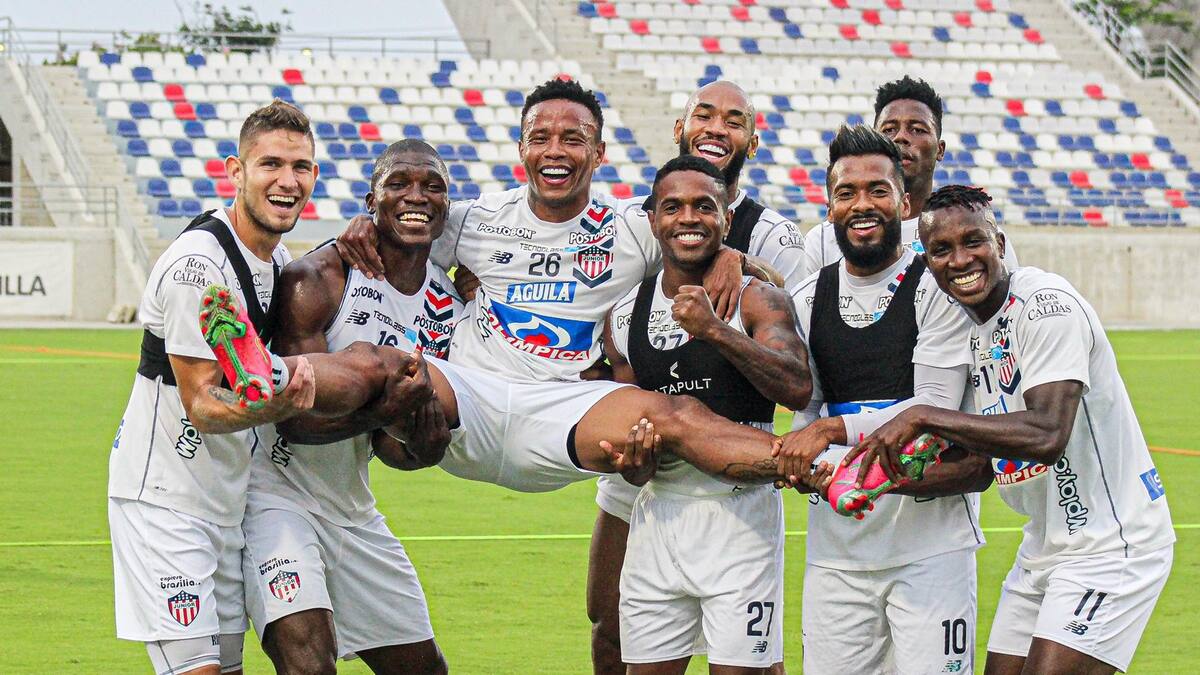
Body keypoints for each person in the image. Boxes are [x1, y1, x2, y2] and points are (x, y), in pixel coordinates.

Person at [107, 100, 424, 675]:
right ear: (236, 171)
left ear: (315, 177)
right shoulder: (198, 267)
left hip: (228, 504)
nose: (287, 181)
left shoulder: (276, 265)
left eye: (300, 167)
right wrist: (274, 405)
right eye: (270, 164)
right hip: (163, 500)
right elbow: (202, 405)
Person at [850, 185, 1176, 675]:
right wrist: (870, 480)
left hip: (1112, 546)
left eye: (973, 241)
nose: (960, 260)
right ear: (928, 264)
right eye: (941, 250)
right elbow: (980, 467)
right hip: (1042, 549)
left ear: (999, 244)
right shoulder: (971, 328)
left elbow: (1047, 435)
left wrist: (922, 415)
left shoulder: (1046, 306)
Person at [591, 79, 807, 675]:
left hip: (741, 509)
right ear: (652, 218)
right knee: (611, 631)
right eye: (673, 208)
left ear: (726, 217)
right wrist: (632, 462)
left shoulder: (764, 270)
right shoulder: (624, 310)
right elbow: (631, 417)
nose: (688, 217)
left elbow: (798, 384)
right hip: (656, 509)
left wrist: (715, 328)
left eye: (704, 208)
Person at [773, 126, 994, 674]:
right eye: (846, 193)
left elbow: (934, 408)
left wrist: (829, 434)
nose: (862, 205)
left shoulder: (936, 287)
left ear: (906, 203)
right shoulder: (806, 299)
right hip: (837, 556)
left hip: (931, 550)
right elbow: (806, 416)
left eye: (878, 190)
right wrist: (809, 462)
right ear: (829, 207)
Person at [240, 140, 459, 674]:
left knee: (424, 669)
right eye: (398, 184)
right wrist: (383, 412)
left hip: (351, 505)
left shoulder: (449, 307)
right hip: (273, 495)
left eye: (432, 186)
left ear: (447, 205)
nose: (416, 196)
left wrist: (425, 443)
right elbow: (292, 420)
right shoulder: (316, 280)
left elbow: (393, 448)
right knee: (310, 664)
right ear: (371, 201)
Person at [802, 76, 1018, 277]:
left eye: (917, 129)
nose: (901, 137)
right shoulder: (823, 240)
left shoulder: (980, 234)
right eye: (889, 130)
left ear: (940, 149)